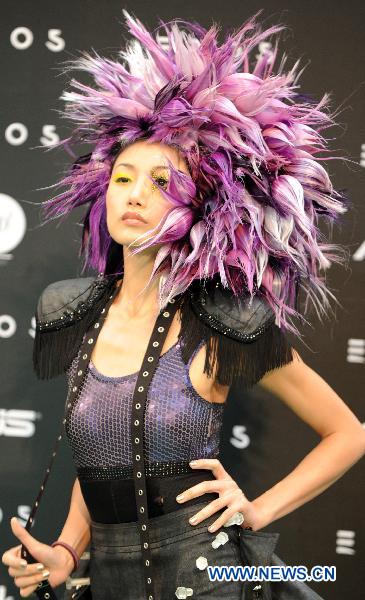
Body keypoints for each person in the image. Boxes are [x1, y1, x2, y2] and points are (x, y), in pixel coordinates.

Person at [2, 8, 365, 600]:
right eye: (123, 178)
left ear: (197, 209)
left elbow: (349, 434)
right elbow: (104, 457)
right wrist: (67, 551)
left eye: (161, 182)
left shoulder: (224, 323)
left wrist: (257, 510)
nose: (136, 195)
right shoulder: (75, 312)